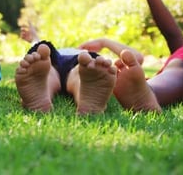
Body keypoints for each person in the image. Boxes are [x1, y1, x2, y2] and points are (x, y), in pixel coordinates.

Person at [15, 23, 143, 114]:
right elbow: (137, 57)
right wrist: (34, 38)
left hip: (73, 63)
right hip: (53, 63)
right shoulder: (50, 56)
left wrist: (103, 42)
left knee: (75, 70)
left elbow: (137, 57)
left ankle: (47, 94)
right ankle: (44, 94)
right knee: (47, 61)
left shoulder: (82, 52)